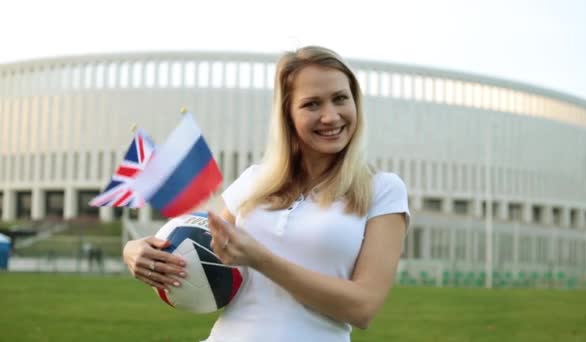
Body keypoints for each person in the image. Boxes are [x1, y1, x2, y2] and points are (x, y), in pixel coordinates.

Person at [122, 46, 410, 342]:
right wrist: (142, 252)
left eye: (340, 99)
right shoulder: (254, 181)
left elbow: (363, 307)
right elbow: (205, 250)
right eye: (312, 104)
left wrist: (261, 259)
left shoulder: (383, 190)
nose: (330, 116)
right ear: (288, 114)